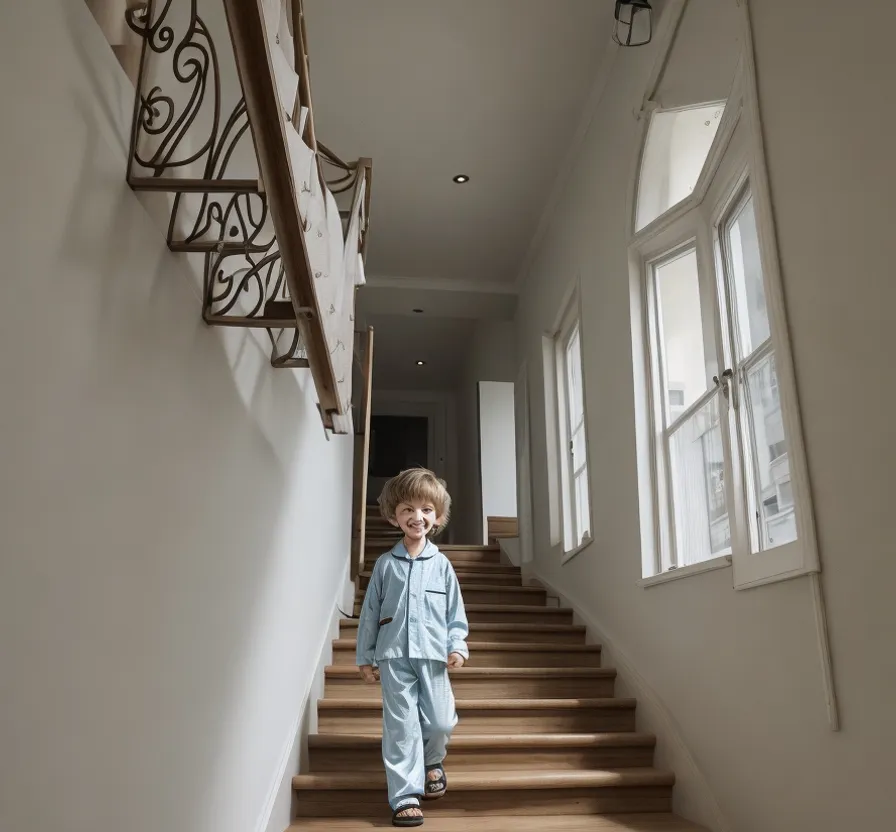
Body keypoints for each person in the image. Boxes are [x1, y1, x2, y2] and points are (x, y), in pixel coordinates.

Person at [356, 468, 469, 827]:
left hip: (434, 655)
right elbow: (369, 614)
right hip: (393, 657)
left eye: (425, 509)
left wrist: (458, 645)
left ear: (436, 517)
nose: (416, 516)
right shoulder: (385, 565)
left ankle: (432, 760)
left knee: (439, 721)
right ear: (394, 516)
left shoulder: (443, 566)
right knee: (401, 725)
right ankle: (405, 793)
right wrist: (365, 657)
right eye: (407, 509)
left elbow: (455, 613)